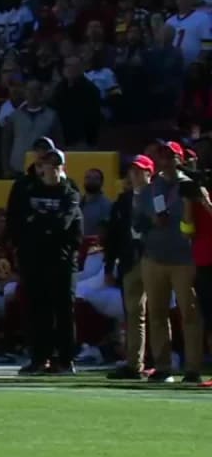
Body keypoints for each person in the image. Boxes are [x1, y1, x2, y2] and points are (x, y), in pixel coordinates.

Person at [133, 142, 204, 384]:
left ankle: (193, 368)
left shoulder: (191, 186)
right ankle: (163, 367)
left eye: (171, 155)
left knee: (190, 313)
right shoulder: (151, 189)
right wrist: (152, 220)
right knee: (157, 313)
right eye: (162, 154)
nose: (165, 159)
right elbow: (136, 223)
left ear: (180, 158)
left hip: (185, 258)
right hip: (154, 257)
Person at [16, 149, 83, 376]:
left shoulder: (70, 193)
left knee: (64, 312)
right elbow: (21, 222)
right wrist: (44, 224)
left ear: (62, 167)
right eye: (47, 163)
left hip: (62, 261)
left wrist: (39, 221)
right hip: (35, 260)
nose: (51, 168)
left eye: (56, 164)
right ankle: (39, 359)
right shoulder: (30, 190)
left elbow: (63, 224)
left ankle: (65, 360)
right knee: (37, 311)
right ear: (40, 167)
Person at [105, 157, 149, 380]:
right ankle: (135, 363)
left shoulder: (156, 197)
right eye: (132, 171)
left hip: (155, 259)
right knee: (134, 313)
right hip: (130, 260)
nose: (135, 175)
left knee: (158, 313)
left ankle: (163, 363)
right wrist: (109, 265)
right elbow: (113, 236)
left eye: (140, 171)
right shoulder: (122, 201)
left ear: (149, 174)